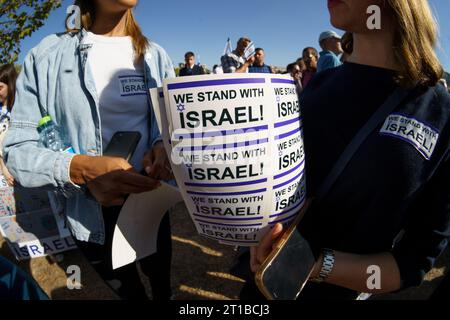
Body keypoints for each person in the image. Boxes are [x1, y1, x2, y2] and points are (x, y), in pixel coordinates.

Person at [248, 0, 450, 300]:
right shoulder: (317, 86)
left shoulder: (438, 112)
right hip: (263, 290)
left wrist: (316, 264)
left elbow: (415, 260)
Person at [3, 0, 174, 300]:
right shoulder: (46, 56)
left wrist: (161, 146)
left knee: (160, 276)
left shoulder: (156, 56)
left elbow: (168, 125)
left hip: (151, 201)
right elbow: (17, 150)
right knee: (128, 290)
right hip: (90, 214)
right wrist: (81, 170)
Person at [0, 64, 17, 186]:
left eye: (0, 87)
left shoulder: (20, 110)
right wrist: (4, 169)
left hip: (20, 170)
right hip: (4, 175)